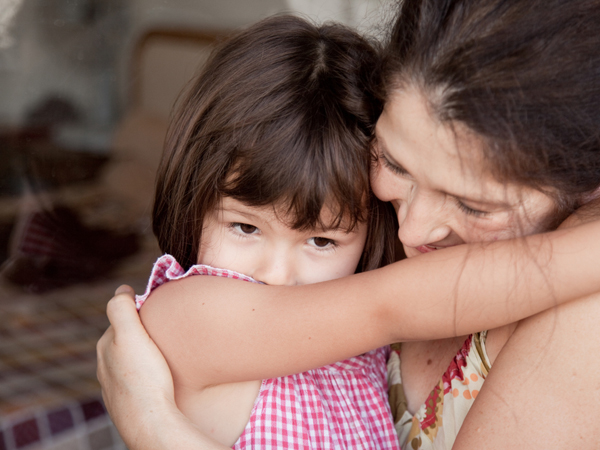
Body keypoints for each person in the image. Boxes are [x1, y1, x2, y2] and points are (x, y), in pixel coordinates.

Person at [97, 1, 600, 449]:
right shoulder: (191, 314)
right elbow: (397, 303)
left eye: (320, 239)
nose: (413, 230)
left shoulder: (360, 329)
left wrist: (157, 431)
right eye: (394, 164)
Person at [122, 15, 401, 449]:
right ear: (193, 203)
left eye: (322, 241)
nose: (276, 276)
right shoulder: (188, 314)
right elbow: (420, 299)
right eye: (245, 226)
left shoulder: (367, 350)